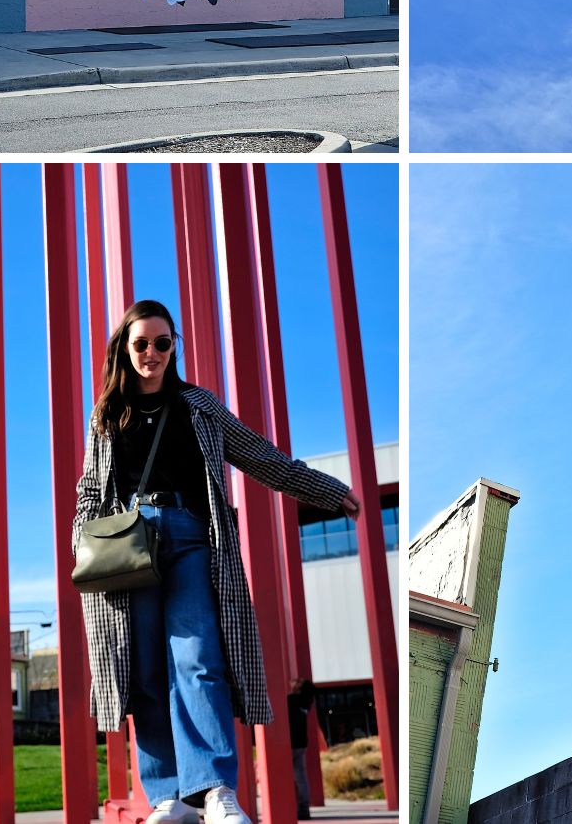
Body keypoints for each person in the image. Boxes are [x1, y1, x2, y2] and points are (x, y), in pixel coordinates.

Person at [73, 301, 357, 824]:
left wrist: (327, 491)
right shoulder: (108, 415)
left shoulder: (199, 405)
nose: (153, 353)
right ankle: (167, 799)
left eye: (163, 342)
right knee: (147, 674)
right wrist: (83, 544)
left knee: (197, 660)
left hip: (191, 539)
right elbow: (90, 490)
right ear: (125, 349)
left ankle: (214, 790)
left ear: (174, 345)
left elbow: (262, 457)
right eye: (142, 344)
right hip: (129, 545)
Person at [286, 677, 316, 819]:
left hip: (289, 743)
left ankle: (288, 807)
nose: (291, 682)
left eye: (295, 682)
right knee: (301, 777)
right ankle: (304, 809)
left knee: (285, 776)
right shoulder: (307, 702)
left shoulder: (290, 700)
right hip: (301, 743)